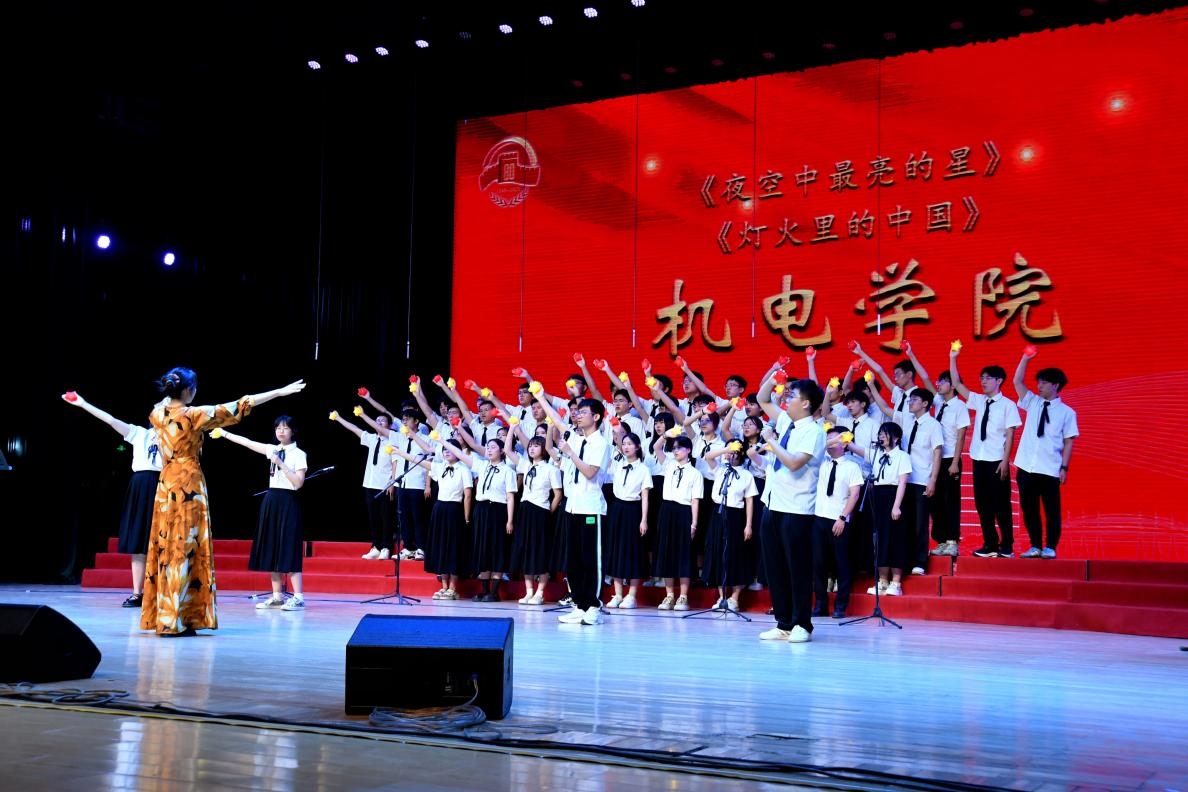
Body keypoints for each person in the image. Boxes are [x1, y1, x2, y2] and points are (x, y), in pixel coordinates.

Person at [141, 367, 305, 636]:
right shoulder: (193, 414)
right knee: (186, 547)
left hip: (165, 483)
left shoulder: (157, 414)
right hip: (187, 483)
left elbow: (165, 404)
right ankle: (178, 619)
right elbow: (241, 404)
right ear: (188, 390)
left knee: (167, 545)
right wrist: (278, 392)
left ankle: (169, 615)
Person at [61, 391, 161, 608]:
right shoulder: (139, 433)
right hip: (141, 485)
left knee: (165, 541)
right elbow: (111, 420)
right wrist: (83, 404)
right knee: (139, 542)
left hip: (165, 485)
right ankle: (137, 593)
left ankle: (164, 593)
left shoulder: (178, 438)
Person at [212, 416, 308, 611]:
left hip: (288, 501)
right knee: (272, 547)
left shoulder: (299, 454)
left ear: (293, 431)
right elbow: (247, 442)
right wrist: (224, 433)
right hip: (271, 500)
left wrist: (280, 463)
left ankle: (298, 597)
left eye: (285, 428)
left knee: (289, 547)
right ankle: (277, 596)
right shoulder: (273, 449)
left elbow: (298, 483)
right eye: (278, 428)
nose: (281, 431)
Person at [756, 375, 825, 644]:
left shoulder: (814, 432)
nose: (786, 400)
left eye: (792, 396)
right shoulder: (787, 422)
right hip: (773, 503)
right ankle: (783, 622)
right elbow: (763, 398)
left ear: (806, 403)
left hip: (797, 509)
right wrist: (774, 375)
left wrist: (771, 441)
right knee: (775, 568)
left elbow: (794, 463)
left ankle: (802, 624)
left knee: (798, 569)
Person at [534, 390, 612, 626]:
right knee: (574, 560)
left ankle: (594, 606)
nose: (577, 416)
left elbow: (590, 472)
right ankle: (579, 604)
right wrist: (540, 396)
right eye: (577, 412)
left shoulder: (600, 443)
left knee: (591, 560)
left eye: (583, 412)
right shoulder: (576, 439)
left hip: (591, 508)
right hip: (573, 508)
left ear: (596, 417)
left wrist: (570, 453)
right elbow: (557, 420)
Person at [949, 346, 1022, 557]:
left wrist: (1005, 461)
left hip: (997, 460)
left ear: (999, 381)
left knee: (1001, 505)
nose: (983, 381)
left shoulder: (1008, 405)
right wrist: (953, 358)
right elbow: (957, 384)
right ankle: (990, 544)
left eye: (988, 378)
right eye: (982, 378)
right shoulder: (979, 400)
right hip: (978, 459)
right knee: (982, 505)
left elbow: (1010, 434)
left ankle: (1006, 545)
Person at [1012, 350, 1078, 559]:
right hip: (1026, 466)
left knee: (1051, 510)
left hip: (1049, 468)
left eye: (1044, 383)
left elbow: (1068, 441)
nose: (1039, 386)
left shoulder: (1067, 412)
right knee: (1029, 509)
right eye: (1038, 382)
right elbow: (1017, 382)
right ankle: (1035, 545)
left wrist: (1064, 467)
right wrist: (1025, 358)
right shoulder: (1033, 402)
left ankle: (1050, 546)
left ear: (1055, 385)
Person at [330, 405, 398, 560]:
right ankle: (376, 546)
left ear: (389, 425)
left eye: (383, 420)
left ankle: (386, 547)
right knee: (374, 517)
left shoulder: (393, 440)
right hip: (369, 484)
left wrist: (392, 482)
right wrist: (339, 418)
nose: (379, 422)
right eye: (377, 420)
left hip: (385, 485)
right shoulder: (372, 438)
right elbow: (354, 428)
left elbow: (395, 462)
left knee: (386, 517)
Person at [812, 425, 863, 618]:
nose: (830, 443)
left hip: (839, 519)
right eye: (828, 440)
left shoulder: (852, 466)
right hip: (819, 517)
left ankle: (841, 605)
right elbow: (817, 447)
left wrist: (842, 517)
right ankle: (820, 605)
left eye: (835, 440)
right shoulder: (821, 462)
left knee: (842, 563)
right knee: (818, 564)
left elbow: (854, 494)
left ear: (845, 443)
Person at [701, 442, 758, 612]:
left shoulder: (746, 475)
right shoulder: (720, 469)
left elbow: (749, 501)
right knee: (718, 553)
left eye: (733, 451)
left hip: (735, 515)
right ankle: (722, 596)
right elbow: (708, 456)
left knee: (735, 554)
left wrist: (748, 525)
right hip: (718, 513)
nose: (729, 454)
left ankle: (735, 598)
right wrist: (726, 449)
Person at [866, 422, 912, 597]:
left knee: (895, 539)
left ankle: (896, 582)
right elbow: (858, 450)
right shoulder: (876, 454)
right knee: (880, 539)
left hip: (893, 496)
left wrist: (896, 506)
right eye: (880, 433)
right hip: (877, 497)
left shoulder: (902, 456)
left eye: (885, 433)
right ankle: (883, 580)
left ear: (896, 437)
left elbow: (902, 482)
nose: (881, 436)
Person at [928, 369, 970, 557]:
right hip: (935, 459)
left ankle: (952, 540)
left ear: (953, 385)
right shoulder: (938, 401)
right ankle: (941, 540)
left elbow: (961, 435)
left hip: (950, 459)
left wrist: (955, 462)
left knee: (950, 500)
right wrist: (911, 355)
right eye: (938, 381)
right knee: (935, 500)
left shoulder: (960, 406)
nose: (938, 384)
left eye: (943, 381)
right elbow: (925, 378)